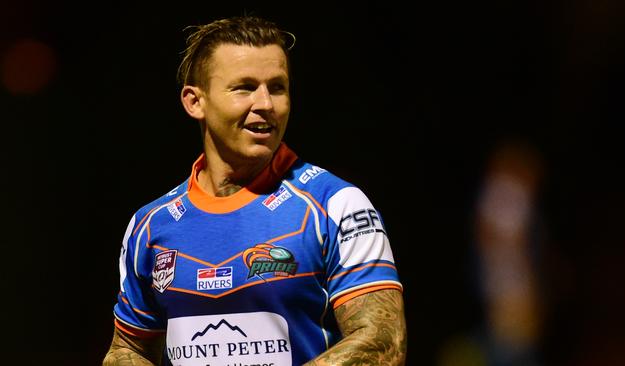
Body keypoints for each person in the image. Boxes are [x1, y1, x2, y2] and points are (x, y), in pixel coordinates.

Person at [102, 15, 407, 366]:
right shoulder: (150, 225)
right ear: (194, 102)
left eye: (277, 87)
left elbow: (383, 343)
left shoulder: (336, 206)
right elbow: (129, 349)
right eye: (245, 87)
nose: (265, 103)